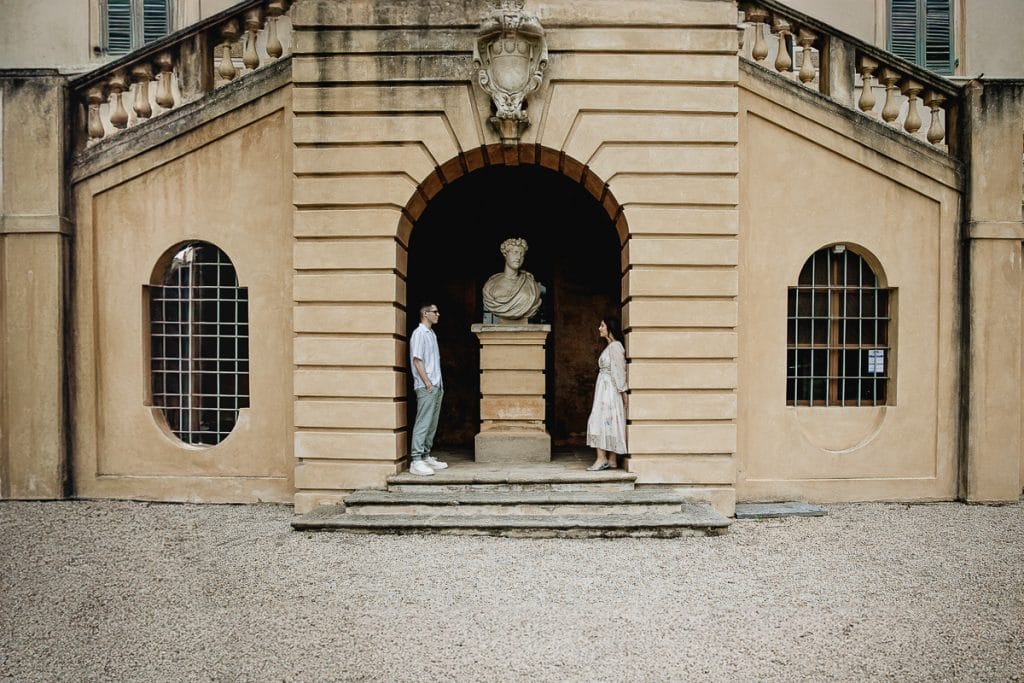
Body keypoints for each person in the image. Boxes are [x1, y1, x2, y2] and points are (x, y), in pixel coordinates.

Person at [408, 303, 449, 476]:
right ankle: (416, 460)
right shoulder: (419, 334)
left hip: (436, 385)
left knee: (431, 423)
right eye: (435, 312)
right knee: (423, 422)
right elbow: (417, 360)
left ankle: (425, 456)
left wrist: (436, 385)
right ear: (425, 313)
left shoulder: (431, 334)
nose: (438, 314)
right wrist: (427, 383)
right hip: (427, 386)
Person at [585, 316, 628, 471]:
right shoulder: (611, 346)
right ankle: (612, 459)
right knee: (607, 421)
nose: (599, 328)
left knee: (600, 420)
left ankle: (601, 458)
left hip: (609, 390)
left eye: (602, 325)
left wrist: (623, 392)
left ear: (610, 328)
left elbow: (620, 371)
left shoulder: (615, 346)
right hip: (605, 388)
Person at [482, 237, 543, 321]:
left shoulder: (532, 285)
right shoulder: (490, 285)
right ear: (505, 254)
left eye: (522, 254)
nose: (518, 257)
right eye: (515, 252)